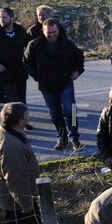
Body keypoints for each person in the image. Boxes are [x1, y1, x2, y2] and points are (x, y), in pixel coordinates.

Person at [23, 18, 85, 151]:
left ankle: (75, 138)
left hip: (65, 82)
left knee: (71, 110)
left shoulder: (66, 44)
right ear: (43, 31)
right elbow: (26, 62)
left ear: (58, 30)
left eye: (54, 32)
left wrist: (77, 71)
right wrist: (37, 76)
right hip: (47, 85)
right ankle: (62, 138)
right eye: (49, 32)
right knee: (55, 113)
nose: (52, 35)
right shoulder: (34, 45)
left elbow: (79, 57)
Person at [0, 7, 30, 106]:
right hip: (5, 73)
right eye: (0, 17)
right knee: (13, 103)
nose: (1, 20)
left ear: (12, 18)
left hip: (20, 72)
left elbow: (30, 48)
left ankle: (22, 121)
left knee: (22, 102)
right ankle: (14, 120)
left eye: (4, 17)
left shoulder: (21, 32)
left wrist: (28, 63)